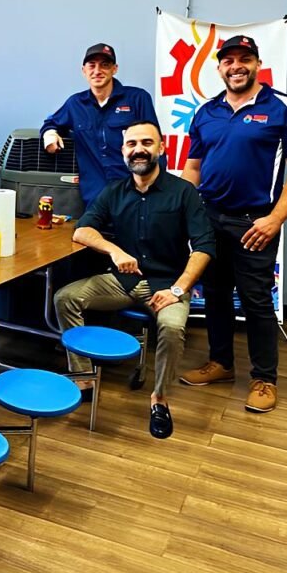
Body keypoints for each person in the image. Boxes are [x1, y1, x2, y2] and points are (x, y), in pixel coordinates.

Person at [179, 35, 287, 414]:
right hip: (209, 218)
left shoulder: (286, 108)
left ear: (257, 64)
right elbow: (193, 168)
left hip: (255, 222)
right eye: (229, 60)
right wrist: (184, 213)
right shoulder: (207, 111)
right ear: (219, 67)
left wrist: (274, 219)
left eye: (244, 59)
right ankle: (221, 364)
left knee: (256, 301)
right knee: (216, 294)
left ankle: (264, 379)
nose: (236, 66)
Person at [54, 121, 215, 438]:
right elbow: (83, 230)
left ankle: (159, 399)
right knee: (65, 297)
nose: (138, 149)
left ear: (161, 147)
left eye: (146, 142)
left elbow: (205, 246)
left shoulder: (183, 192)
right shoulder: (115, 190)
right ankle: (83, 375)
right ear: (123, 150)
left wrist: (179, 289)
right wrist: (114, 251)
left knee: (170, 326)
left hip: (168, 284)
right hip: (124, 281)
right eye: (131, 144)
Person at [41, 43, 159, 209]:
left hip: (136, 193)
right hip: (95, 197)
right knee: (85, 233)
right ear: (84, 71)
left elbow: (155, 144)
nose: (97, 71)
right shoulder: (75, 104)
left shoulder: (137, 98)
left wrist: (156, 188)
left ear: (114, 69)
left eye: (105, 65)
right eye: (92, 65)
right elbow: (51, 123)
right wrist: (50, 134)